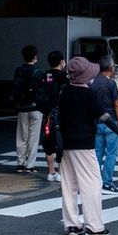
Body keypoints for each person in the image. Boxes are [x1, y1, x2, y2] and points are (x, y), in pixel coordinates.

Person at [59, 57, 118, 235]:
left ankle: (72, 225)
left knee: (69, 185)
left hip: (67, 144)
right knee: (92, 183)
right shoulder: (88, 94)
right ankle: (94, 226)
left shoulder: (65, 92)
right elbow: (104, 116)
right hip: (84, 144)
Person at [91, 56, 118, 194]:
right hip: (111, 123)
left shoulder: (92, 83)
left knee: (97, 153)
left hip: (96, 122)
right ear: (111, 68)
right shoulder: (111, 83)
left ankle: (94, 182)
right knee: (111, 154)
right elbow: (117, 104)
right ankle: (107, 182)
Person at [13, 44, 42, 174]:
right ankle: (30, 165)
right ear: (35, 57)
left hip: (22, 107)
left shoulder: (18, 70)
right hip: (35, 107)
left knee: (21, 136)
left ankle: (20, 163)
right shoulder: (38, 71)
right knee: (33, 137)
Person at [40, 51, 67, 182]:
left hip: (47, 114)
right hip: (61, 114)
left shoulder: (44, 76)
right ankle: (61, 172)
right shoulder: (64, 76)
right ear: (61, 61)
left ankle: (51, 172)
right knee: (61, 142)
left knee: (49, 141)